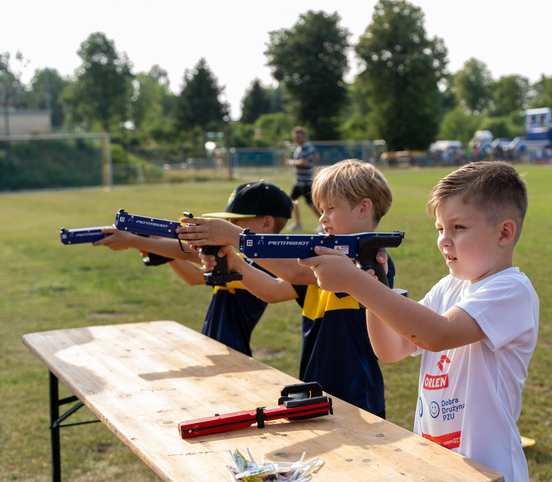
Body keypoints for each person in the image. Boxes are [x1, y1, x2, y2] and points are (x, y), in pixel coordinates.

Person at [300, 161, 539, 482]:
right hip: (436, 470)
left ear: (504, 233)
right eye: (440, 227)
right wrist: (373, 287)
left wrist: (355, 282)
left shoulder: (511, 290)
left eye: (459, 227)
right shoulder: (449, 287)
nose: (444, 239)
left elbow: (437, 334)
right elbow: (392, 349)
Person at [178, 159, 394, 418]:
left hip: (356, 391)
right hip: (317, 385)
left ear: (363, 208)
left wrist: (235, 236)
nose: (322, 218)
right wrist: (235, 262)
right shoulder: (327, 257)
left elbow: (294, 271)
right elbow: (273, 290)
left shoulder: (367, 259)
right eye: (320, 209)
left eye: (330, 208)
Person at [93, 181, 292, 356]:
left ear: (267, 222)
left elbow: (190, 254)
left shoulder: (263, 264)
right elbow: (194, 276)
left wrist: (136, 240)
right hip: (217, 345)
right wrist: (155, 246)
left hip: (234, 352)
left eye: (236, 221)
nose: (230, 226)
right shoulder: (246, 259)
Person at [286, 126, 320, 231]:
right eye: (294, 137)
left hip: (305, 181)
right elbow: (316, 155)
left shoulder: (305, 147)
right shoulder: (303, 146)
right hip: (299, 181)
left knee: (310, 203)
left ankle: (324, 222)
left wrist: (291, 162)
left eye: (297, 137)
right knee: (292, 200)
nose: (295, 139)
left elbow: (304, 162)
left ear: (303, 137)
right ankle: (298, 223)